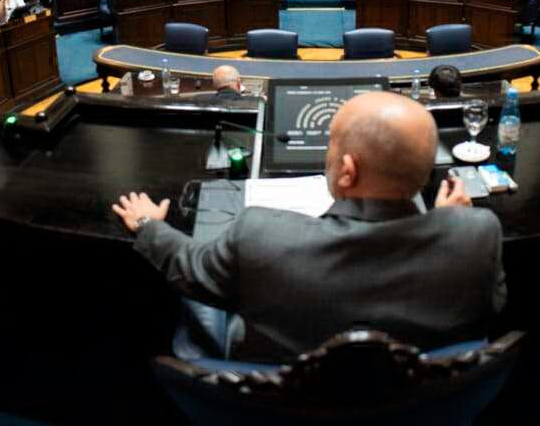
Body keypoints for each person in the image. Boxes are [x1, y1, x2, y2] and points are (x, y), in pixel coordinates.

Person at [111, 91, 504, 361]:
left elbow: (188, 266)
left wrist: (147, 224)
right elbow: (493, 304)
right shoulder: (477, 232)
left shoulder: (262, 235)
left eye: (331, 145)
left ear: (347, 172)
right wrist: (449, 220)